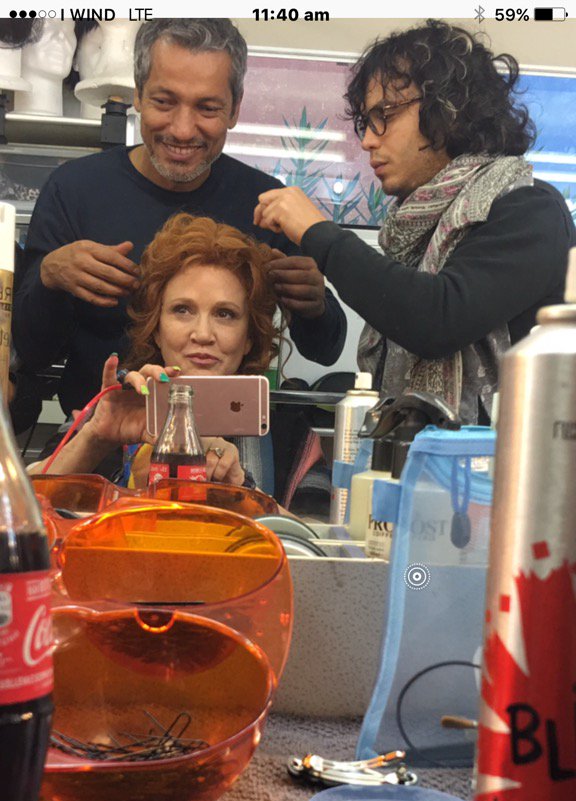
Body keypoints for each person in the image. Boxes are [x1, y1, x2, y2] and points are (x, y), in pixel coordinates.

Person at [13, 18, 345, 419]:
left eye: (207, 108)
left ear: (235, 108)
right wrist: (49, 277)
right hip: (95, 434)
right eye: (164, 102)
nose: (184, 130)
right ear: (138, 94)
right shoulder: (73, 190)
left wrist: (314, 305)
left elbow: (325, 350)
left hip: (225, 437)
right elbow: (30, 352)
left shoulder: (266, 205)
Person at [254, 19, 576, 424]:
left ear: (449, 108)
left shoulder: (530, 209)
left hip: (499, 460)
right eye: (366, 122)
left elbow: (437, 319)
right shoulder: (414, 230)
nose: (368, 140)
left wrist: (319, 232)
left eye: (384, 114)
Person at [31, 213, 330, 513]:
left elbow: (320, 539)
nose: (203, 334)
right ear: (156, 329)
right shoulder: (109, 415)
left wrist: (241, 487)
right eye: (182, 310)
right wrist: (95, 439)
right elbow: (19, 511)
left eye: (225, 314)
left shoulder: (292, 439)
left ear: (249, 337)